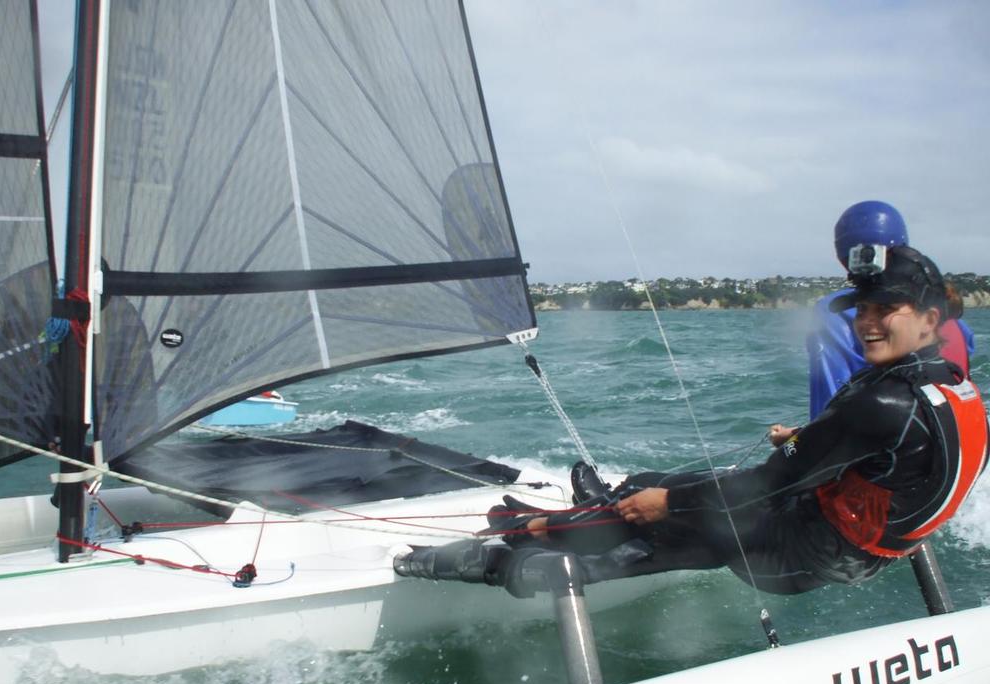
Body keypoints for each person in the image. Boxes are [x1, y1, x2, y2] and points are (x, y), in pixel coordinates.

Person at [399, 246, 988, 596]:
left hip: (812, 554)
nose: (867, 321)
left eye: (888, 308)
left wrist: (668, 506)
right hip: (858, 543)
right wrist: (808, 443)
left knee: (679, 515)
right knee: (663, 485)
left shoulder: (884, 402)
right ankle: (606, 504)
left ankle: (510, 561)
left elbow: (769, 485)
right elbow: (905, 468)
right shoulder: (954, 387)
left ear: (931, 318)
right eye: (862, 308)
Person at [807, 200, 974, 420]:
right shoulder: (951, 319)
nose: (867, 317)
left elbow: (828, 413)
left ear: (842, 258)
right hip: (951, 445)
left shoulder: (832, 314)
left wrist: (807, 437)